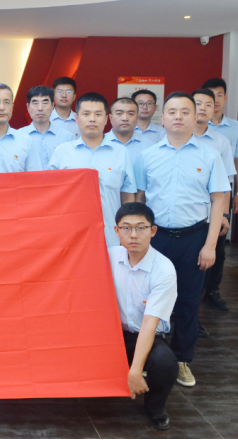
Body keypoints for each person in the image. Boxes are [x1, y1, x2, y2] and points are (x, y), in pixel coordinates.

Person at [134, 91, 230, 388]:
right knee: (148, 299)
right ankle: (146, 359)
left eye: (185, 112)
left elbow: (218, 200)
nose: (178, 117)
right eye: (172, 112)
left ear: (196, 116)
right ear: (162, 118)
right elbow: (139, 199)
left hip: (194, 237)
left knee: (188, 300)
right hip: (156, 238)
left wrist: (210, 245)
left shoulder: (209, 155)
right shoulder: (147, 156)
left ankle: (182, 360)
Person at [110, 203, 178, 431]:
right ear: (116, 230)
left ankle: (155, 408)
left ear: (153, 230)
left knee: (164, 362)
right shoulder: (109, 256)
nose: (133, 235)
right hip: (113, 333)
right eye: (126, 228)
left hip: (145, 333)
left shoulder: (164, 269)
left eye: (140, 228)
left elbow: (149, 324)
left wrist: (136, 371)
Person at [48, 93, 136, 248]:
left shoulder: (121, 153)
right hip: (70, 237)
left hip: (110, 238)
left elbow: (127, 198)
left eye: (98, 114)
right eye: (86, 114)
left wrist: (128, 232)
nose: (92, 119)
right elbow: (51, 197)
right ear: (77, 118)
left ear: (106, 119)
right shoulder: (62, 153)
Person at [192, 89, 235, 314]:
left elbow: (226, 181)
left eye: (208, 104)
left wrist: (225, 215)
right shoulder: (174, 135)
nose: (203, 108)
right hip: (186, 213)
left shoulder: (221, 141)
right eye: (198, 103)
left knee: (213, 257)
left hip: (213, 212)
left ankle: (210, 293)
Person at [19, 86, 74, 170]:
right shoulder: (19, 137)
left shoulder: (67, 137)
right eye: (35, 103)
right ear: (28, 107)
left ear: (52, 106)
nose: (40, 108)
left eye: (45, 103)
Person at [105, 98, 154, 166]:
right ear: (110, 118)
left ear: (137, 117)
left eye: (130, 114)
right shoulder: (100, 143)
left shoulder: (149, 145)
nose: (125, 118)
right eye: (119, 113)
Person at [203, 78, 238, 157]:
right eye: (212, 95)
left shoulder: (236, 127)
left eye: (219, 95)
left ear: (225, 98)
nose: (216, 100)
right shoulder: (196, 125)